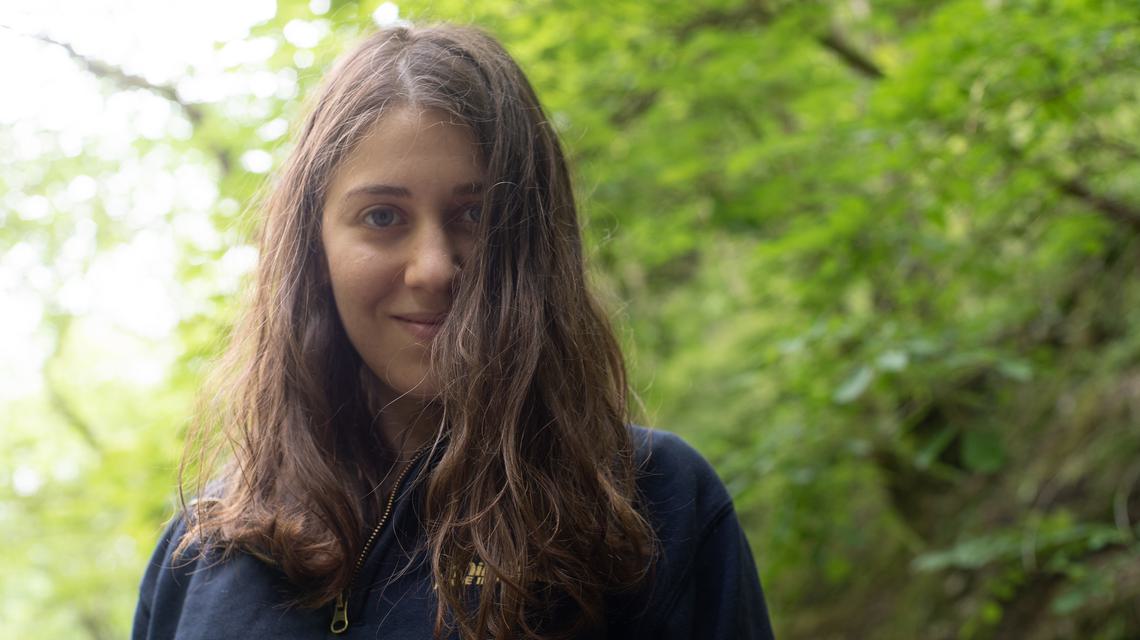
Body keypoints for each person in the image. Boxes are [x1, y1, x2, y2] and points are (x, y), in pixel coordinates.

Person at [132, 23, 774, 640]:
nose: (434, 268)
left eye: (476, 214)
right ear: (313, 249)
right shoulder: (202, 552)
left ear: (534, 239)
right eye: (382, 216)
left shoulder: (655, 506)